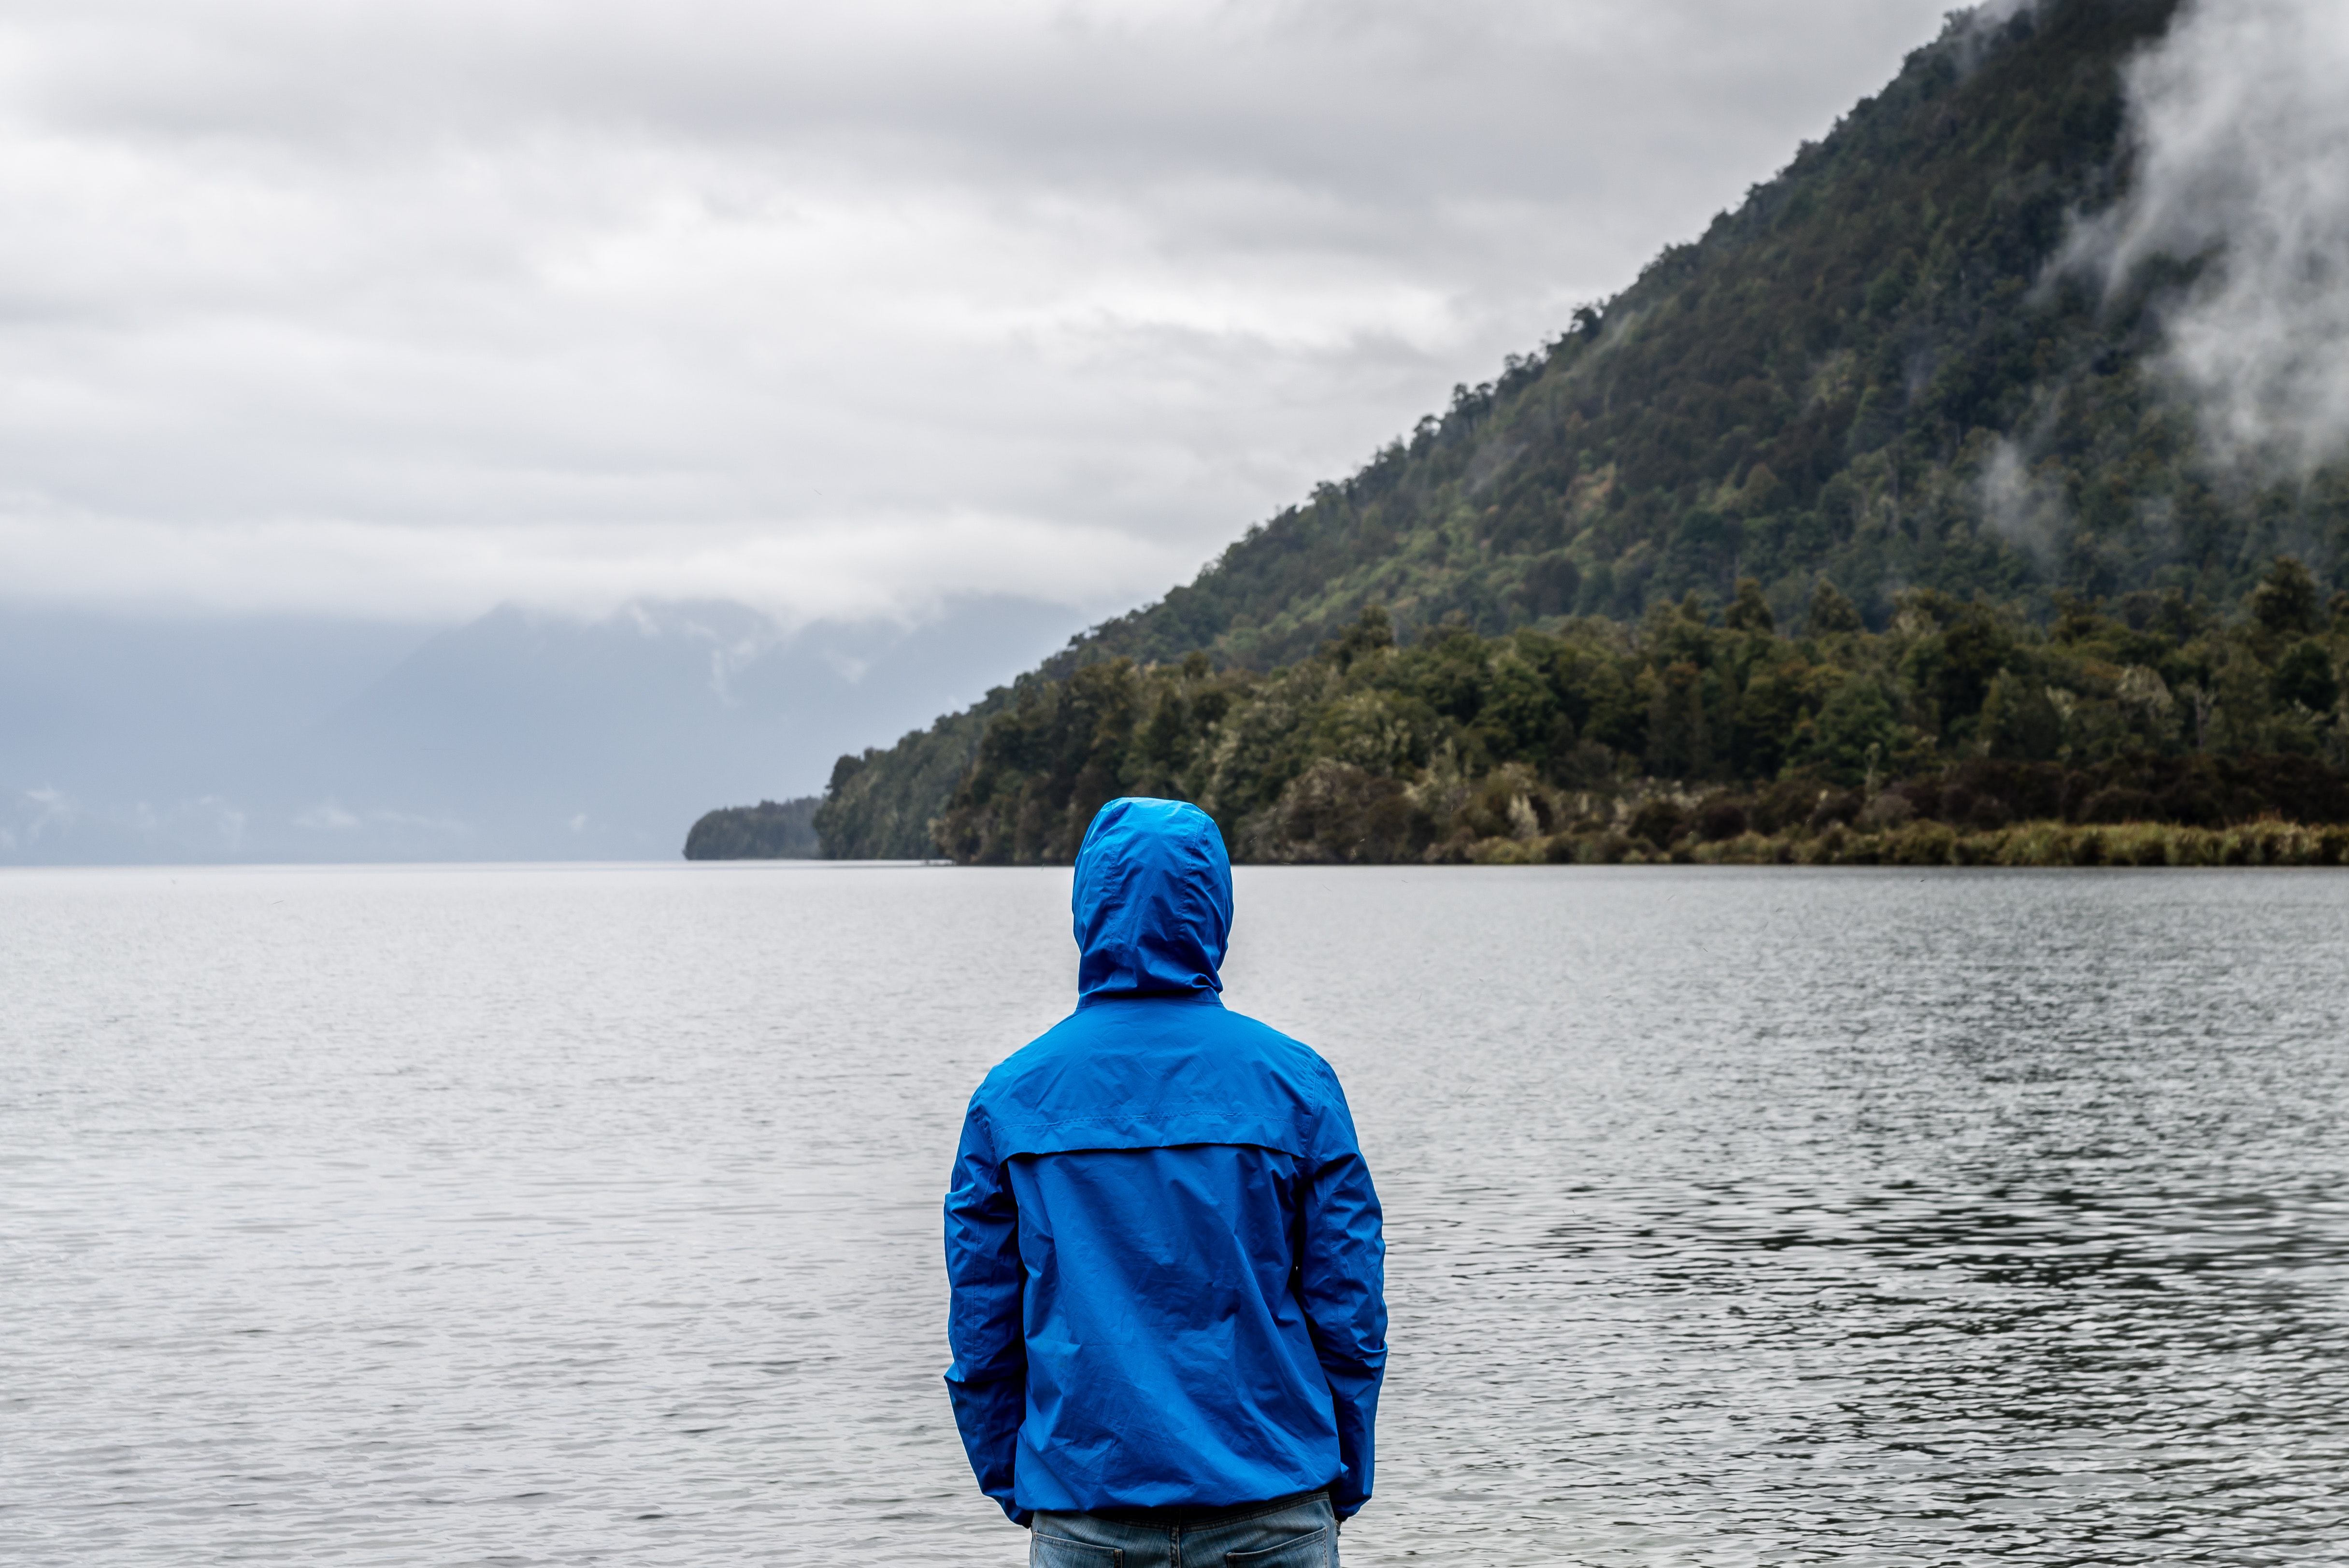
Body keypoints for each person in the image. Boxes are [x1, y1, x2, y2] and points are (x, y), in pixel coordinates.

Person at [943, 797, 1388, 1567]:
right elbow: (1349, 1311)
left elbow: (983, 1332)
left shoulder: (1012, 1097)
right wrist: (1338, 1472)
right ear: (1213, 906)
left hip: (1086, 1512)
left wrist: (1019, 1482)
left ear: (1088, 906)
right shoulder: (1296, 1085)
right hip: (1274, 1503)